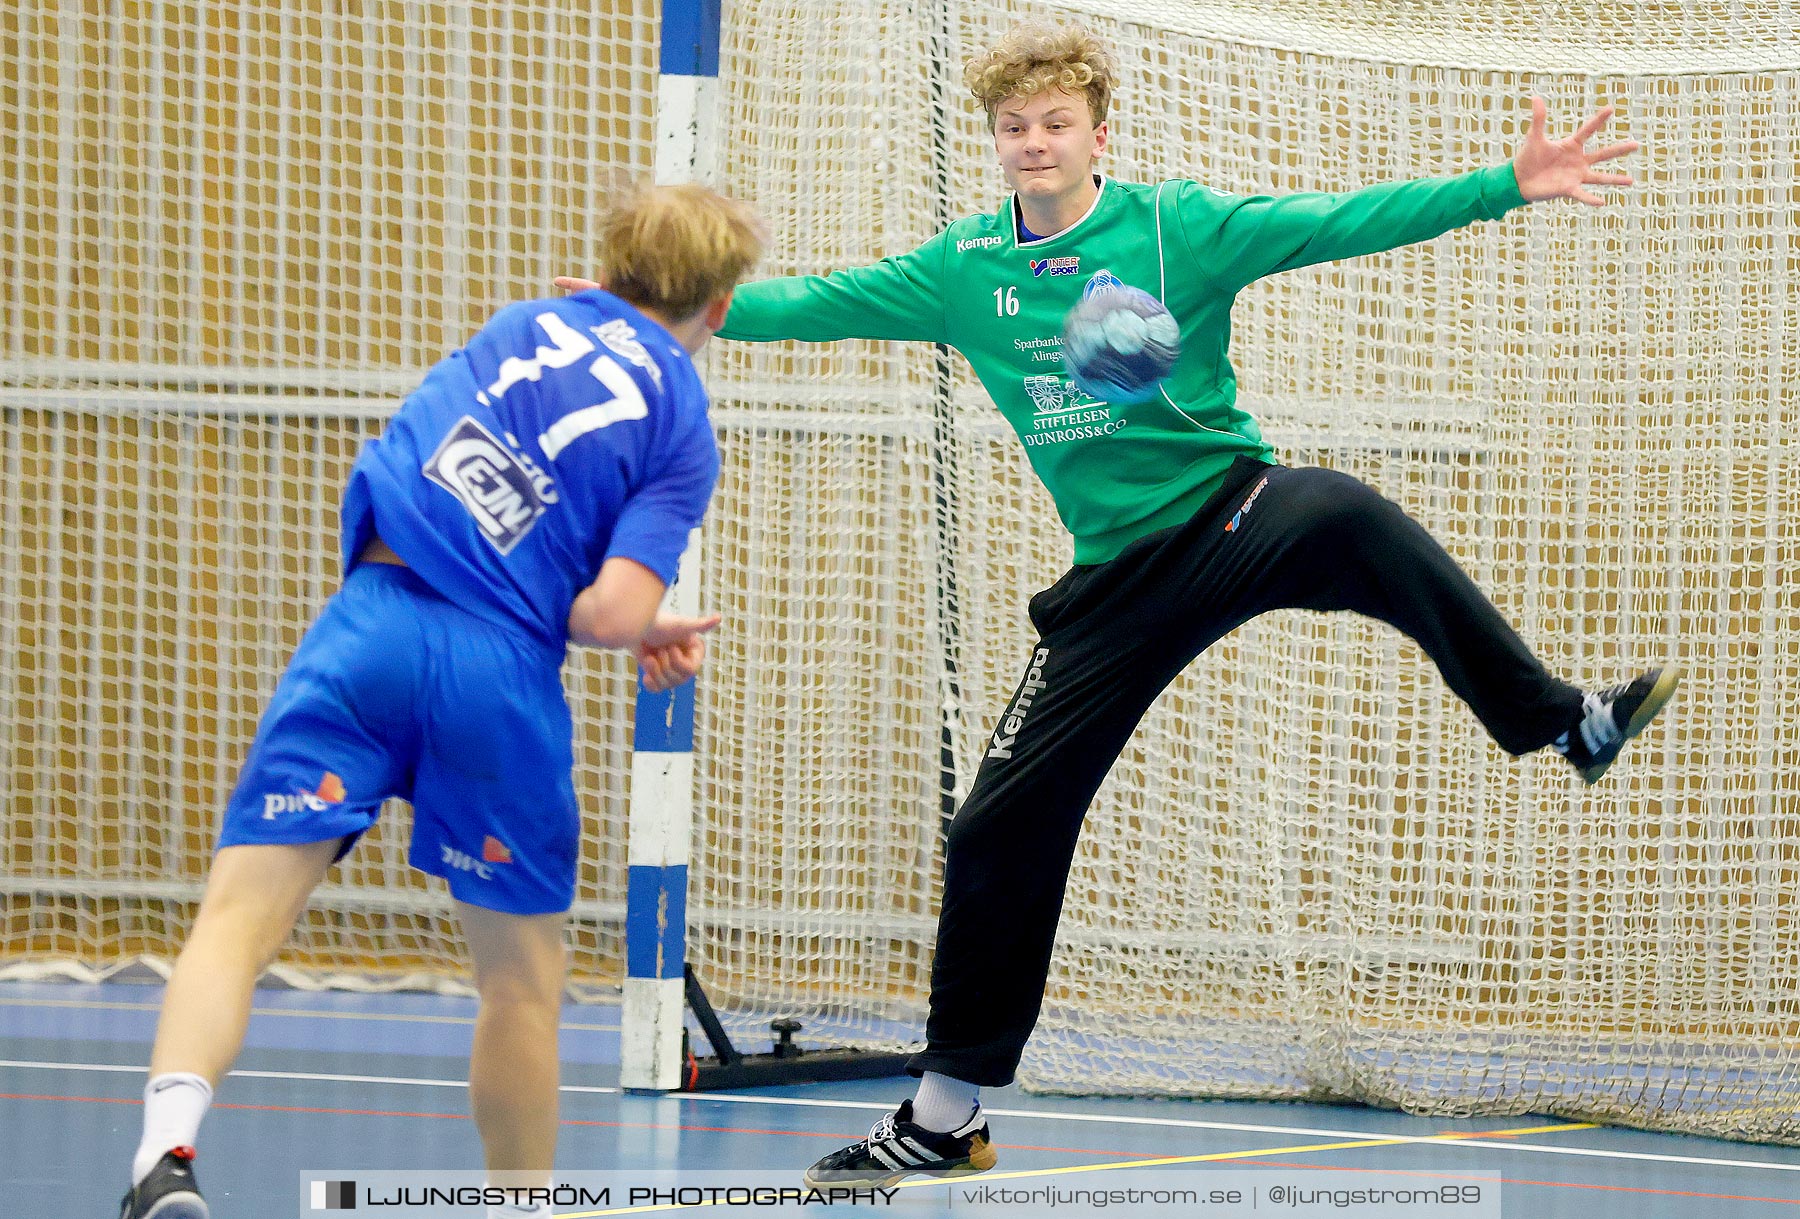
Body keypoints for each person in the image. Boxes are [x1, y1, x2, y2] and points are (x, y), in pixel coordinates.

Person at [561, 20, 1677, 1189]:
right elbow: (798, 303)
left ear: (1099, 133)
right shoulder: (963, 271)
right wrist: (637, 311)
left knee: (1348, 513)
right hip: (1114, 583)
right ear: (995, 143)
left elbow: (1343, 220)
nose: (1033, 142)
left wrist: (1508, 184)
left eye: (1054, 124)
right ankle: (942, 1120)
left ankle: (1561, 722)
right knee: (995, 826)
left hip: (1235, 514)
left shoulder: (1174, 228)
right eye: (1013, 127)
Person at [118, 182, 765, 1219]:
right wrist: (643, 623)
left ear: (605, 271)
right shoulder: (683, 425)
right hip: (495, 680)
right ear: (720, 308)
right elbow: (606, 614)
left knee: (235, 922)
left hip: (368, 627)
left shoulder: (522, 323)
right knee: (519, 987)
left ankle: (164, 1155)